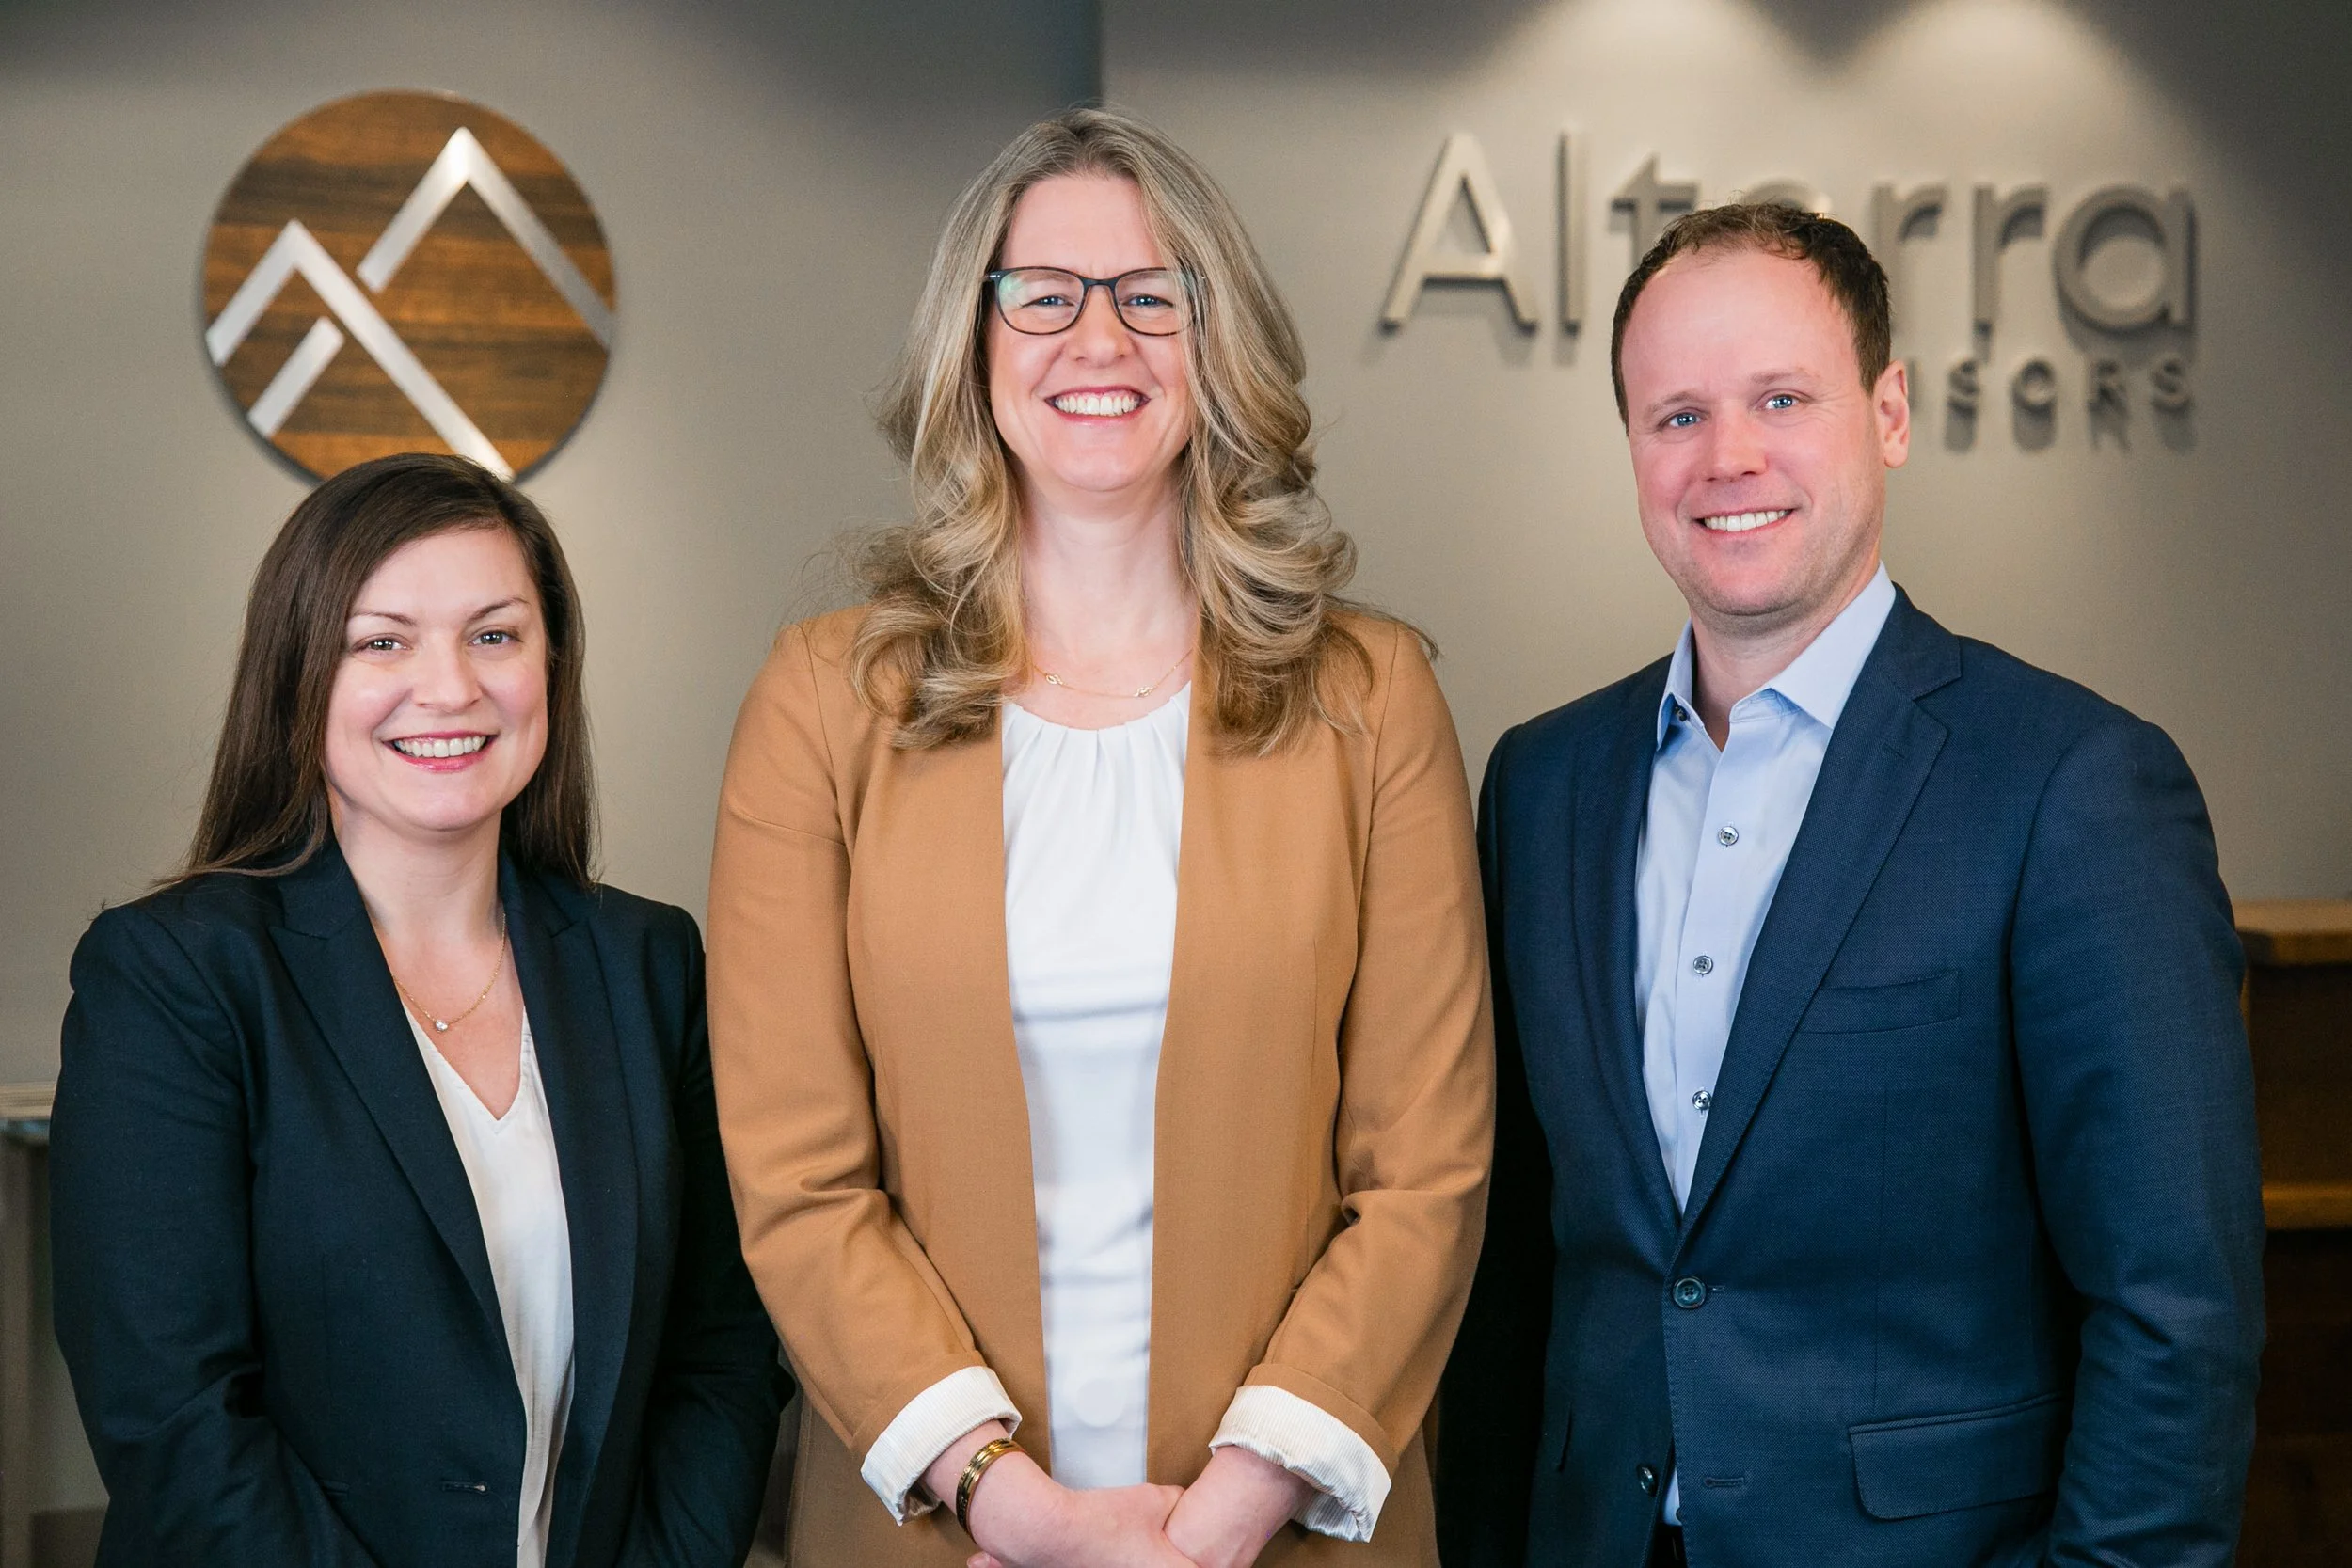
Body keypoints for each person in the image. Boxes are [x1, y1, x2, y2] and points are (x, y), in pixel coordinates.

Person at [706, 107, 1492, 1568]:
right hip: (945, 1531)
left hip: (1287, 1531)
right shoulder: (826, 699)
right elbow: (798, 1176)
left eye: (1152, 296)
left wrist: (1227, 1512)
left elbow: (1425, 1167)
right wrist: (1017, 1503)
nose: (1099, 339)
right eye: (1045, 294)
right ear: (977, 338)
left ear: (1218, 338)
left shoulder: (1371, 697)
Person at [1434, 203, 2265, 1568]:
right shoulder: (1543, 783)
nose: (1730, 456)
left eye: (1781, 397)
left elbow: (2179, 1306)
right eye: (1678, 414)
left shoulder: (2075, 783)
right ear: (1633, 447)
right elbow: (1513, 1261)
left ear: (1888, 412)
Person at [50, 453, 787, 1568]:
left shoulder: (650, 962)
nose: (448, 687)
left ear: (551, 666)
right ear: (299, 676)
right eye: (380, 639)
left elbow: (720, 1354)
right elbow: (173, 1416)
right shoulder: (172, 975)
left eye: (494, 634)